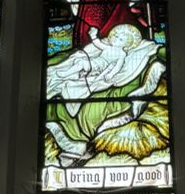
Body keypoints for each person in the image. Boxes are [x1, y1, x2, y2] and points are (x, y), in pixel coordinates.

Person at [45, 24, 167, 164]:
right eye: (116, 36)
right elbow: (97, 44)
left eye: (121, 38)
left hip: (99, 68)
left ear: (127, 44)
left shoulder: (121, 54)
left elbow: (116, 68)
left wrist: (107, 76)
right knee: (78, 61)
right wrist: (94, 35)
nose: (116, 38)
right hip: (94, 64)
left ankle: (76, 148)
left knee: (79, 69)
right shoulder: (108, 47)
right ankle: (65, 74)